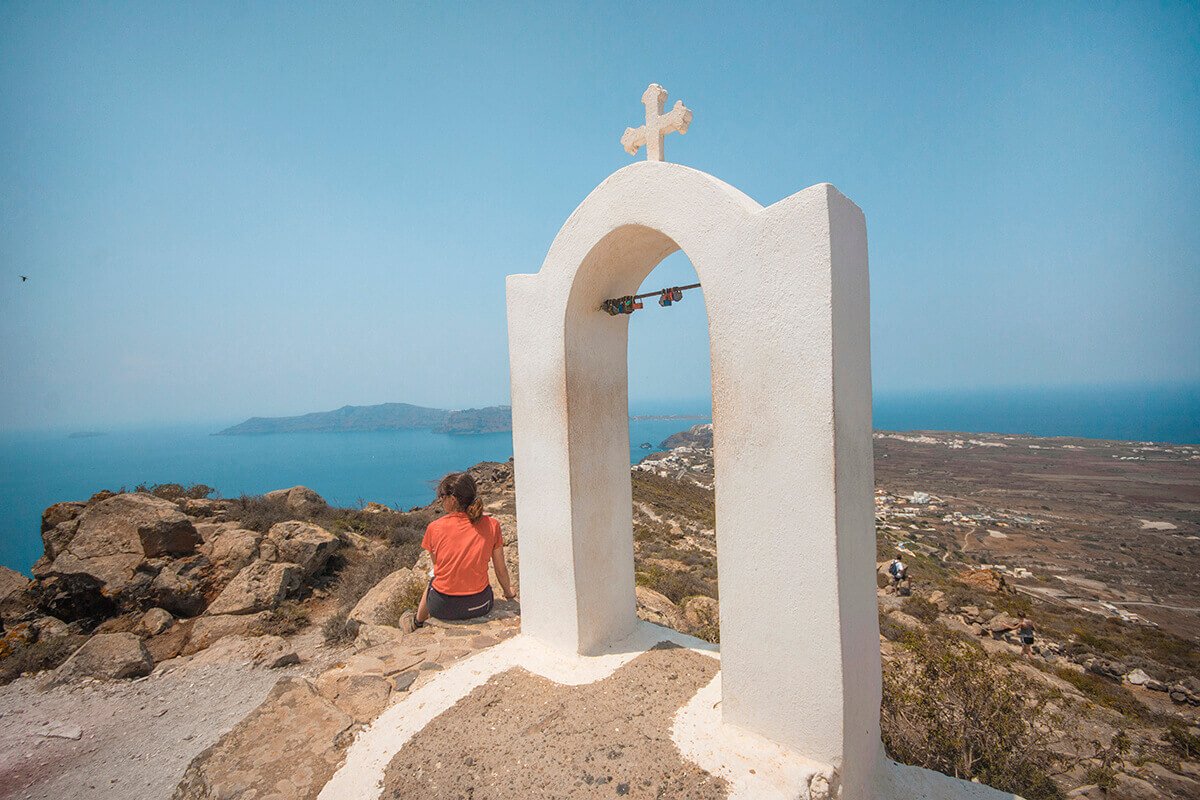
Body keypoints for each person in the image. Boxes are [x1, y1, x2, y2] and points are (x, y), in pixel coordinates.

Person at [400, 472, 516, 632]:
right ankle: (417, 621)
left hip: (442, 607)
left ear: (453, 499)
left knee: (434, 577)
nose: (440, 501)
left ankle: (417, 622)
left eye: (442, 496)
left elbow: (438, 566)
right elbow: (500, 568)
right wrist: (509, 593)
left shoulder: (434, 527)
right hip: (481, 605)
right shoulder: (492, 525)